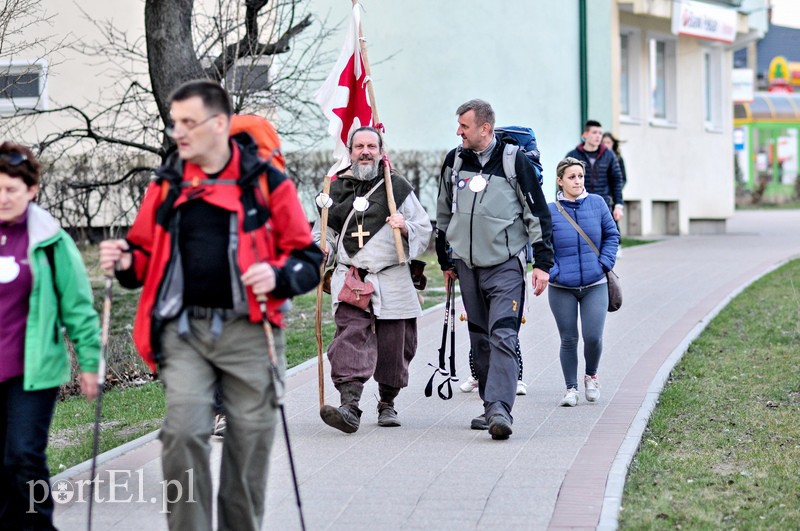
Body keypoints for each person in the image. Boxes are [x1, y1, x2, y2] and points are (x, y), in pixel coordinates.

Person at [99, 80, 322, 531]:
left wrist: (278, 276)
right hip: (184, 335)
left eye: (188, 123)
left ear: (219, 124)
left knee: (248, 446)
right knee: (182, 434)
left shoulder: (266, 181)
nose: (177, 133)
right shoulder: (168, 184)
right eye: (174, 123)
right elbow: (142, 257)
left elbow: (308, 258)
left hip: (250, 333)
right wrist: (124, 260)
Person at [436, 99, 553, 440]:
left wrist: (542, 263)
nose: (459, 132)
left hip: (505, 265)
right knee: (481, 339)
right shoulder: (454, 161)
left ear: (484, 128)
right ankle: (490, 407)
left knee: (503, 334)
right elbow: (444, 213)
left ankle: (501, 408)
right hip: (466, 265)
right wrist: (446, 260)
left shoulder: (514, 162)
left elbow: (538, 215)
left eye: (464, 126)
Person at [0, 142, 100, 529]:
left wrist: (90, 363)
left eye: (11, 189)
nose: (3, 198)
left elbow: (77, 307)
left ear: (32, 190)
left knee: (23, 456)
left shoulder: (51, 240)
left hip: (33, 369)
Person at [315, 126, 432, 433]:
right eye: (359, 146)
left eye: (371, 146)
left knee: (396, 345)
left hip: (393, 277)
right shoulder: (335, 189)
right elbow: (322, 231)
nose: (365, 151)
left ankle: (387, 402)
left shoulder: (397, 188)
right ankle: (350, 406)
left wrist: (404, 225)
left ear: (381, 152)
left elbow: (423, 226)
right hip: (353, 278)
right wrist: (321, 247)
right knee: (349, 339)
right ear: (350, 152)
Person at [547, 157, 619, 407]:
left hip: (594, 284)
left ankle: (591, 375)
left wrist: (604, 264)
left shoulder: (597, 204)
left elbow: (612, 235)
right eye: (571, 177)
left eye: (580, 176)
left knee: (593, 336)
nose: (577, 181)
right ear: (560, 180)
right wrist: (554, 271)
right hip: (561, 287)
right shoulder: (551, 210)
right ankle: (571, 388)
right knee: (568, 339)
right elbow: (540, 245)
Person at [565, 120, 624, 223]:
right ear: (585, 134)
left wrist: (618, 205)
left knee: (611, 236)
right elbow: (563, 180)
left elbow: (617, 180)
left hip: (603, 205)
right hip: (579, 206)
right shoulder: (573, 155)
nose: (598, 136)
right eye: (594, 132)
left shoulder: (609, 155)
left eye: (600, 133)